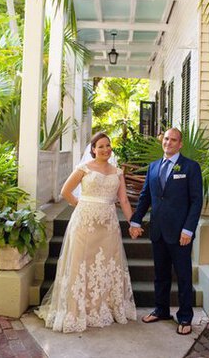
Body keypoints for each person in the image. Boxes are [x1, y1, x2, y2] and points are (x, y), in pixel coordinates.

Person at [36, 132, 137, 332]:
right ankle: (76, 310)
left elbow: (124, 200)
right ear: (93, 149)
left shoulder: (117, 172)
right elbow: (65, 191)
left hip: (108, 225)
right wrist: (80, 205)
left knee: (106, 263)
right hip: (84, 223)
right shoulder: (83, 168)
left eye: (108, 145)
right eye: (101, 146)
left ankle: (102, 307)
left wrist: (133, 223)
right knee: (81, 263)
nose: (105, 149)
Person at [129, 127, 203, 335]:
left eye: (173, 140)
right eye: (166, 139)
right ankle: (161, 310)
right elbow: (145, 198)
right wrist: (136, 221)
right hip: (158, 231)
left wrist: (188, 229)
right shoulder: (153, 167)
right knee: (160, 275)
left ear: (180, 144)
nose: (168, 143)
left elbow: (196, 202)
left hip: (180, 233)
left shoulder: (190, 167)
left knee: (183, 276)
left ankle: (185, 317)